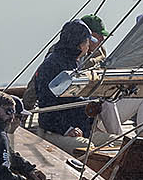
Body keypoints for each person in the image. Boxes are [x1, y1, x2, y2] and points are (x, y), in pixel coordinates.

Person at [28, 19, 100, 153]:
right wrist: (66, 129)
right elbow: (48, 106)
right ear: (79, 45)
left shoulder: (73, 63)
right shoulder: (53, 66)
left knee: (119, 140)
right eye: (87, 41)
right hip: (54, 132)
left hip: (79, 129)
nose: (89, 45)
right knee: (87, 148)